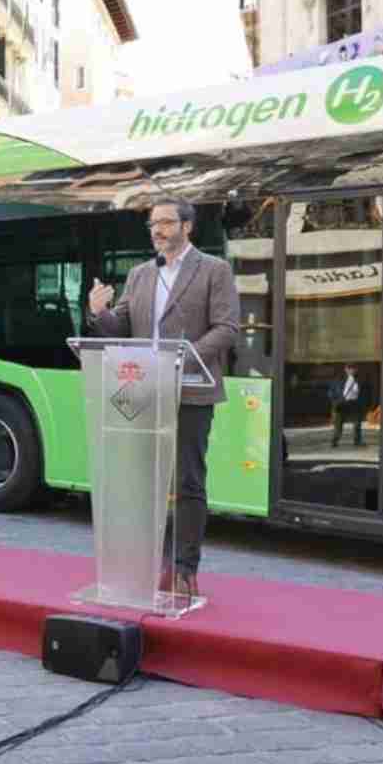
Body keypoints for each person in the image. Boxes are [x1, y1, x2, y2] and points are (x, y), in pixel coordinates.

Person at [87, 198, 240, 597]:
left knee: (188, 481)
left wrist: (183, 360)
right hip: (144, 391)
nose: (158, 231)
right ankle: (150, 562)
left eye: (166, 223)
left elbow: (226, 328)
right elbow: (120, 325)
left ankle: (185, 568)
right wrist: (99, 312)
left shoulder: (214, 270)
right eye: (153, 224)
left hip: (191, 389)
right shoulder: (139, 275)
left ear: (187, 227)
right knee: (145, 482)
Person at [327, 363, 370, 448]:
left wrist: (364, 404)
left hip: (354, 404)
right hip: (342, 403)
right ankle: (334, 440)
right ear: (345, 369)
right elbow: (330, 391)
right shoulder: (339, 379)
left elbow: (365, 392)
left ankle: (357, 440)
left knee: (357, 423)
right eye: (349, 368)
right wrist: (335, 401)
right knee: (338, 424)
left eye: (353, 368)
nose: (351, 370)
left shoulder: (360, 379)